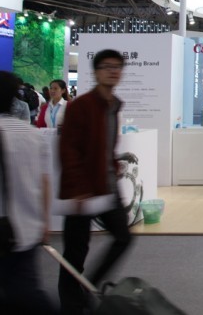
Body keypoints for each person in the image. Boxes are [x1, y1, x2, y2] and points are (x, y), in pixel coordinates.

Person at [58, 49, 133, 314]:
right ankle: (71, 305)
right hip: (82, 190)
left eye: (117, 67)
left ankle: (88, 286)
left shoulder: (114, 105)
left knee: (123, 237)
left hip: (106, 186)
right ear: (96, 72)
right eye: (107, 66)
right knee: (75, 252)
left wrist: (113, 165)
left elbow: (105, 146)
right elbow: (68, 149)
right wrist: (77, 188)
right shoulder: (82, 105)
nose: (113, 71)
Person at [0, 71, 57, 314]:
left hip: (6, 229)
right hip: (27, 227)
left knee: (23, 295)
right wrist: (45, 222)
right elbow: (44, 181)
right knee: (25, 291)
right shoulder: (32, 134)